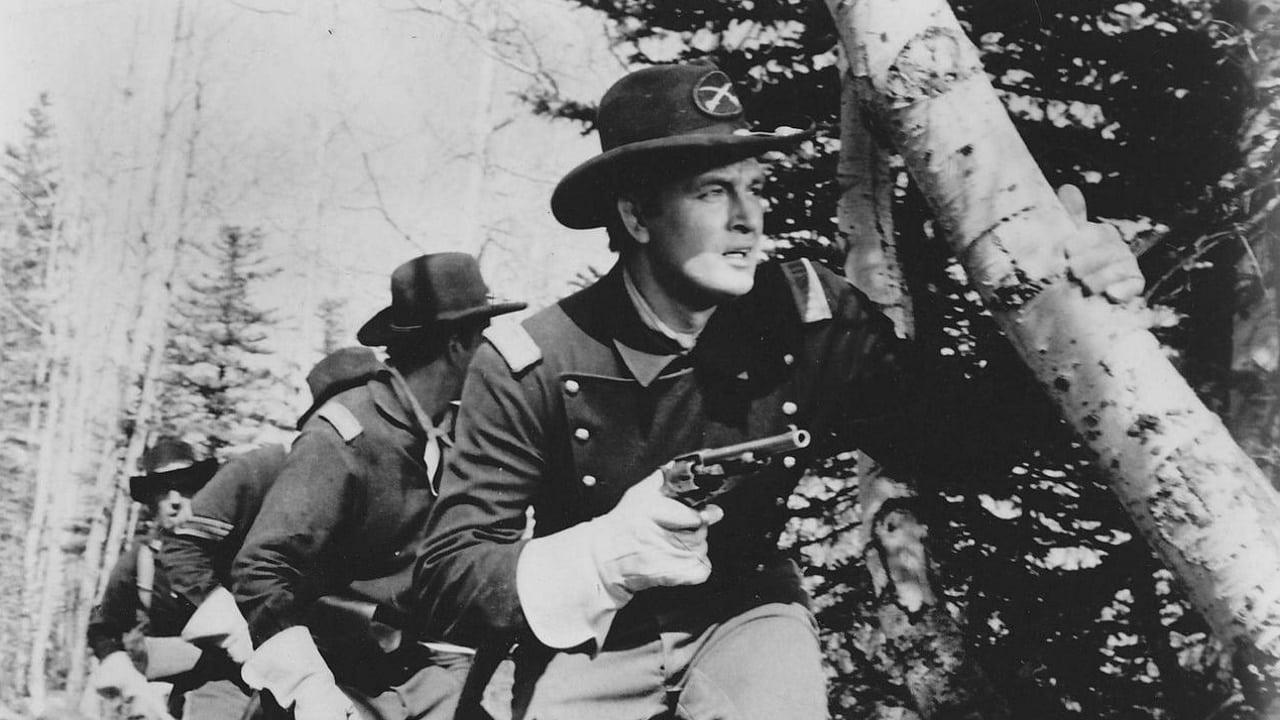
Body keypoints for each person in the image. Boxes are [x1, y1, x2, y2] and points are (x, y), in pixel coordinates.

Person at [409, 61, 1146, 720]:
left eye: (753, 188)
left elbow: (955, 445)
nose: (748, 218)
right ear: (634, 215)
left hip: (745, 609)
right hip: (593, 637)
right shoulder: (532, 359)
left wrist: (1071, 316)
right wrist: (602, 557)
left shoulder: (806, 316)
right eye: (711, 191)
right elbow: (449, 575)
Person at [233, 253, 526, 720]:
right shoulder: (345, 434)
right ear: (455, 345)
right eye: (482, 339)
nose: (489, 355)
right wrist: (308, 686)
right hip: (337, 686)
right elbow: (261, 569)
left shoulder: (453, 436)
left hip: (426, 678)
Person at [156, 346, 386, 719]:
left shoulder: (378, 481)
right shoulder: (263, 470)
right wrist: (237, 630)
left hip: (325, 666)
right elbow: (182, 548)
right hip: (231, 669)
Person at [87, 437, 220, 720]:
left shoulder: (225, 556)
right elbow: (102, 626)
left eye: (185, 488)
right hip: (157, 697)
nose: (175, 501)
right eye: (164, 491)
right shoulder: (140, 559)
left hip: (219, 694)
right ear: (151, 502)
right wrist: (119, 665)